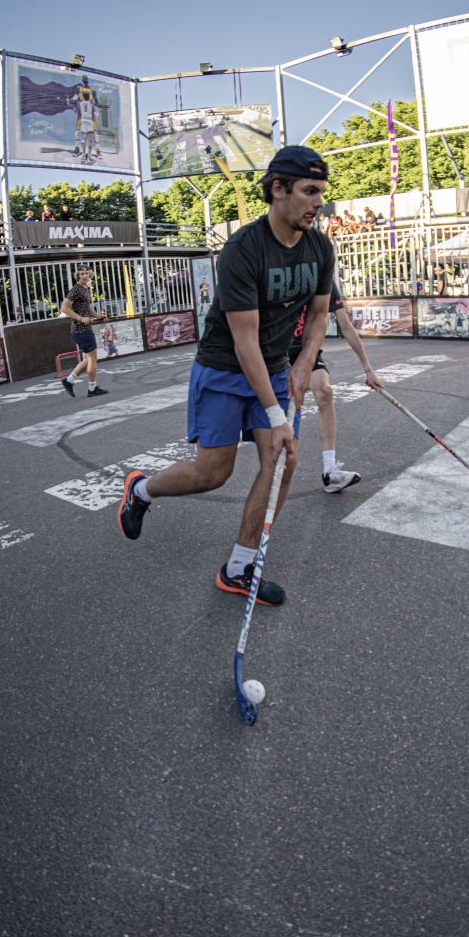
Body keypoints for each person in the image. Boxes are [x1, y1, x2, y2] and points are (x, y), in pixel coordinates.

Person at [117, 145, 335, 607]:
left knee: (282, 461)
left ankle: (239, 568)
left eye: (321, 191)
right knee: (212, 473)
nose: (319, 202)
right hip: (224, 368)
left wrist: (304, 363)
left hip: (275, 367)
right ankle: (141, 490)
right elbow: (244, 341)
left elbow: (319, 316)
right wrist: (276, 415)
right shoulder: (243, 249)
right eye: (309, 191)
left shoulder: (320, 247)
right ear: (278, 190)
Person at [289, 277, 383, 492]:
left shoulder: (324, 279)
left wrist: (368, 368)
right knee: (286, 408)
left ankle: (329, 471)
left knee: (325, 391)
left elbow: (346, 326)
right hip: (277, 352)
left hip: (307, 350)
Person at [59, 265, 108, 398]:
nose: (84, 276)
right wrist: (80, 318)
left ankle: (69, 380)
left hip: (85, 329)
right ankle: (92, 389)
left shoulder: (85, 289)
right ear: (78, 276)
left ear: (90, 275)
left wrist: (99, 316)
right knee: (92, 359)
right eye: (81, 274)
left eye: (86, 273)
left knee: (90, 358)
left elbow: (88, 309)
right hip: (80, 329)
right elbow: (64, 308)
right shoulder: (76, 290)